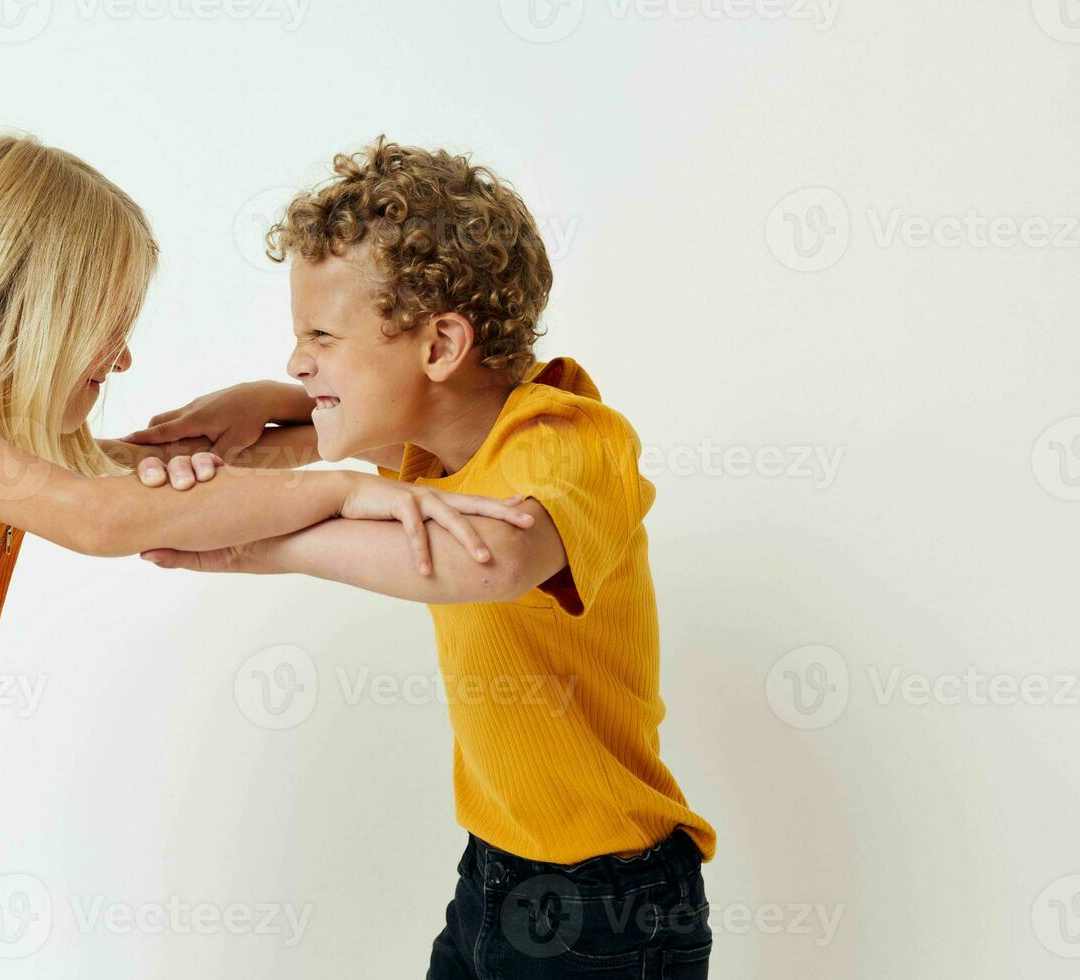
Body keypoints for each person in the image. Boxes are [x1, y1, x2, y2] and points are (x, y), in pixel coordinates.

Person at [0, 133, 533, 979]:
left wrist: (278, 436)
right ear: (29, 308)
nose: (122, 358)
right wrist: (345, 490)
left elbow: (140, 477)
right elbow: (95, 513)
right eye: (107, 328)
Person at [130, 137, 717, 978]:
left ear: (440, 346)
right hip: (494, 874)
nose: (299, 359)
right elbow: (324, 433)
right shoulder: (434, 455)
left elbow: (487, 560)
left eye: (321, 336)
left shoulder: (571, 440)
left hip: (610, 906)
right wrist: (259, 414)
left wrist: (267, 541)